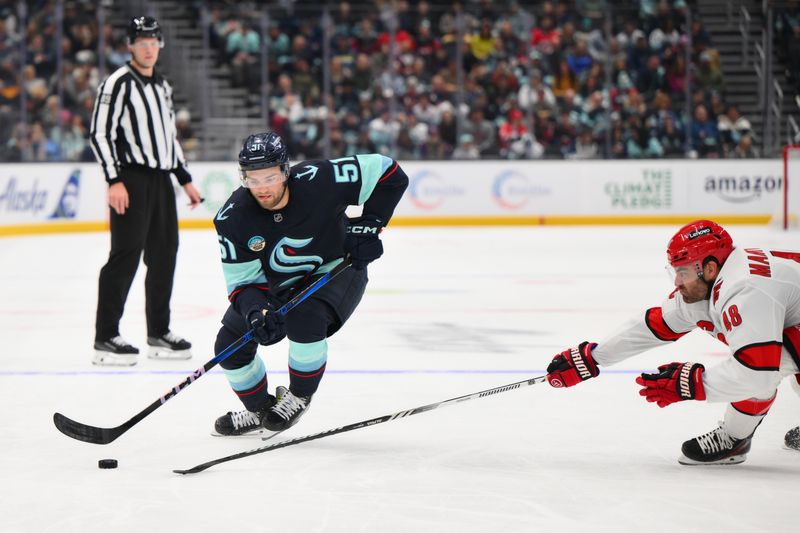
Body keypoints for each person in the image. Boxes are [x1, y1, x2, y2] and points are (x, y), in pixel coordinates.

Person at [546, 220, 800, 464]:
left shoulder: (745, 288)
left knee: (772, 358)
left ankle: (734, 439)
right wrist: (594, 357)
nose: (677, 282)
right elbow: (657, 324)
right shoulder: (713, 281)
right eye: (675, 272)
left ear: (710, 268)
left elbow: (758, 373)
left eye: (683, 272)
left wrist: (693, 384)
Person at [212, 131, 408, 437]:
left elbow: (390, 173)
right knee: (229, 346)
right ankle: (262, 410)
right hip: (278, 285)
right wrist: (256, 312)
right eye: (253, 179)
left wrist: (371, 223)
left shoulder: (321, 179)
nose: (262, 188)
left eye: (270, 178)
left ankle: (299, 396)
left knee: (304, 318)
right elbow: (242, 283)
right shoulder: (232, 217)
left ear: (285, 171)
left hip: (337, 269)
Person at [89, 16, 203, 366]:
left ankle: (159, 332)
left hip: (161, 181)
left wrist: (184, 178)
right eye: (142, 42)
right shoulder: (118, 83)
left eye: (154, 41)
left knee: (165, 253)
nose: (149, 48)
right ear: (130, 45)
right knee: (125, 255)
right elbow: (100, 133)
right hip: (131, 179)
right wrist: (114, 180)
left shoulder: (162, 86)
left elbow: (169, 136)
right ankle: (106, 337)